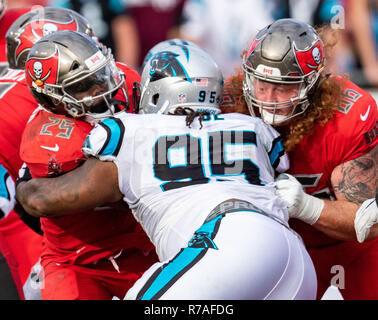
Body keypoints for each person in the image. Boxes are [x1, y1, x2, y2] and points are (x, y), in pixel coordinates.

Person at [17, 43, 317, 299]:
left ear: (157, 90)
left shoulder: (130, 130)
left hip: (225, 246)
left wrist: (25, 184)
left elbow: (44, 200)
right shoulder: (251, 126)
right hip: (297, 263)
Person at [223, 18, 377, 299]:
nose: (268, 97)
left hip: (348, 250)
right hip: (272, 249)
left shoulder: (347, 117)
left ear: (312, 83)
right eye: (261, 83)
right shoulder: (229, 103)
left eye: (283, 87)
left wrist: (306, 206)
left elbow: (367, 222)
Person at [13, 26, 157, 299]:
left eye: (101, 74)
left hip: (144, 250)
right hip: (80, 263)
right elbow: (37, 202)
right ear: (53, 98)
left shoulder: (129, 83)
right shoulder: (53, 140)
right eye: (83, 85)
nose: (103, 86)